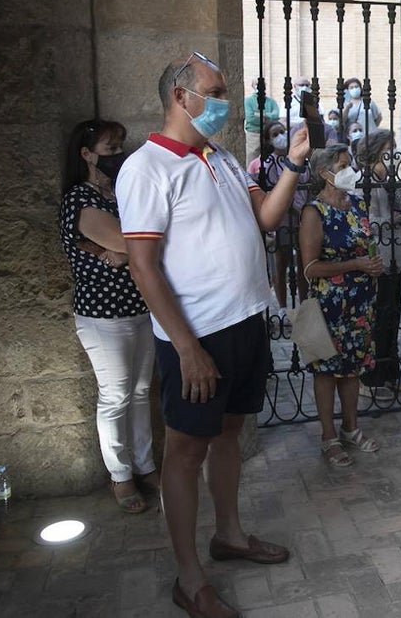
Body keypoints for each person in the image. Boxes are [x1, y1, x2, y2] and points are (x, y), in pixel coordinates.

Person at [118, 52, 309, 618]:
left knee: (229, 434)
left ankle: (229, 534)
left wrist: (295, 164)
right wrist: (185, 348)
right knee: (184, 452)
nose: (225, 101)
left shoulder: (220, 157)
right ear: (181, 96)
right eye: (216, 90)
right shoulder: (147, 168)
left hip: (245, 321)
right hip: (197, 336)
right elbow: (143, 267)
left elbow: (266, 219)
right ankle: (189, 578)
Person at [59, 119, 156, 514]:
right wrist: (127, 248)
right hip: (104, 316)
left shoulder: (118, 193)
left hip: (140, 307)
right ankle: (121, 475)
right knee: (116, 396)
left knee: (142, 392)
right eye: (110, 148)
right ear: (87, 154)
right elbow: (126, 240)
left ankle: (146, 465)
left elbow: (140, 240)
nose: (119, 155)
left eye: (120, 147)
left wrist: (129, 250)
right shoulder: (80, 199)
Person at [298, 145, 383, 466]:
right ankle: (328, 436)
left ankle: (351, 428)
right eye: (344, 165)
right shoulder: (314, 212)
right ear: (325, 173)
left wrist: (372, 264)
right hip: (329, 305)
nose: (351, 170)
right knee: (326, 371)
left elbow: (366, 246)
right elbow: (309, 267)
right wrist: (355, 265)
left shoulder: (356, 203)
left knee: (352, 370)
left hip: (360, 303)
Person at [359, 130, 401, 397]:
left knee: (392, 318)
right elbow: (368, 223)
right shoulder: (365, 181)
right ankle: (370, 379)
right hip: (379, 258)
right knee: (378, 319)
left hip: (395, 256)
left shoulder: (383, 181)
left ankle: (390, 374)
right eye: (389, 149)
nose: (393, 154)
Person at [248, 121, 295, 313]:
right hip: (281, 220)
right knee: (280, 263)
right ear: (268, 139)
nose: (282, 136)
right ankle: (283, 308)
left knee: (304, 262)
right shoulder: (265, 164)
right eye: (276, 134)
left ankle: (307, 306)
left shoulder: (298, 159)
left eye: (283, 132)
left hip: (300, 218)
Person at [244, 77, 280, 162]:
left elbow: (276, 116)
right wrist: (268, 118)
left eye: (263, 84)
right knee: (252, 158)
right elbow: (250, 118)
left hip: (269, 134)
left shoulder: (271, 101)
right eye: (257, 84)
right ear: (253, 86)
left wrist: (262, 115)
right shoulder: (248, 101)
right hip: (254, 134)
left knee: (270, 159)